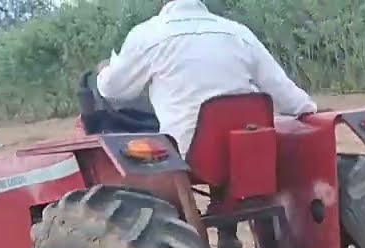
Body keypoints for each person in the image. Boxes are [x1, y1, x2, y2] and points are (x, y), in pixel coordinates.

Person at [93, 0, 317, 153]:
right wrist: (308, 109)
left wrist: (103, 71)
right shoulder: (238, 32)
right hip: (247, 146)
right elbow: (285, 93)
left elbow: (113, 90)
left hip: (186, 151)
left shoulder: (147, 35)